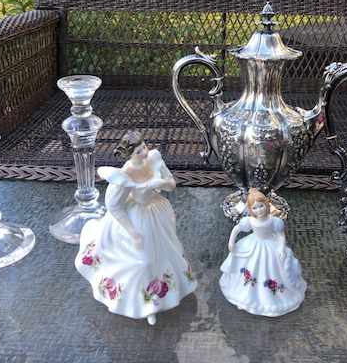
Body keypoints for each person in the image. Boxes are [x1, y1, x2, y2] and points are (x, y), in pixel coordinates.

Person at [75, 130, 196, 325]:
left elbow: (172, 185)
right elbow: (113, 206)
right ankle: (145, 303)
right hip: (137, 217)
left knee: (165, 253)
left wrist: (161, 183)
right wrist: (132, 232)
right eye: (139, 151)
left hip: (158, 211)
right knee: (143, 261)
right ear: (129, 155)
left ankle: (164, 293)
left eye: (144, 147)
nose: (144, 153)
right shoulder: (125, 176)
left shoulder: (154, 158)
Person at [219, 188, 306, 317]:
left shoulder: (274, 220)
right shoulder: (250, 220)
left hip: (271, 245)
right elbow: (237, 229)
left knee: (273, 267)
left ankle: (273, 294)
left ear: (266, 205)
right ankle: (248, 292)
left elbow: (281, 235)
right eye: (255, 208)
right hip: (253, 245)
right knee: (250, 266)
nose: (259, 210)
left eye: (261, 206)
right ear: (250, 209)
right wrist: (231, 242)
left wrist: (281, 247)